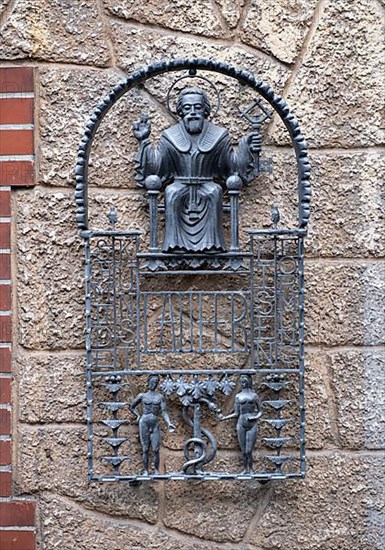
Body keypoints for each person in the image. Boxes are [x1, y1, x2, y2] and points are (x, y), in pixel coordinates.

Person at [132, 87, 260, 252]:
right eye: (187, 108)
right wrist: (144, 141)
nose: (192, 112)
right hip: (180, 186)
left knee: (214, 193)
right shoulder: (170, 136)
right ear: (180, 112)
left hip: (207, 186)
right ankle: (174, 246)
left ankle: (212, 245)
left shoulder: (219, 136)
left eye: (197, 107)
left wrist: (247, 147)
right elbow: (157, 168)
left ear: (205, 110)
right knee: (172, 193)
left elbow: (233, 167)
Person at [129, 375, 175, 475]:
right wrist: (137, 415)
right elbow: (131, 407)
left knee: (155, 449)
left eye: (155, 382)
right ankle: (145, 470)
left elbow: (164, 411)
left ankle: (156, 470)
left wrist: (169, 422)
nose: (153, 384)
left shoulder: (160, 397)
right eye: (152, 382)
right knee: (145, 449)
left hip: (155, 423)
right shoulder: (142, 396)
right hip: (144, 422)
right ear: (148, 382)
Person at [220, 374, 262, 474]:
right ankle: (245, 469)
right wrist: (225, 417)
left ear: (248, 382)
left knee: (249, 450)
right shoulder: (238, 396)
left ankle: (250, 469)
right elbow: (236, 413)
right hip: (241, 421)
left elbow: (261, 410)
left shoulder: (254, 395)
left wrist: (255, 416)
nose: (243, 384)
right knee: (243, 451)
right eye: (241, 382)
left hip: (252, 422)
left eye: (244, 381)